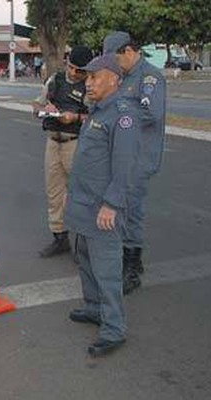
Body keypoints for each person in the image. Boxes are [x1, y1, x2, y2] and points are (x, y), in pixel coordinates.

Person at [65, 54, 140, 357]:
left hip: (102, 208)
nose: (89, 82)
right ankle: (94, 308)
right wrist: (72, 192)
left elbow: (124, 167)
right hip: (83, 203)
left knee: (107, 268)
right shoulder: (97, 110)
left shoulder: (122, 115)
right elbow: (87, 160)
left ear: (112, 78)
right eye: (88, 77)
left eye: (94, 77)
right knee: (84, 258)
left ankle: (113, 328)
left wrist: (111, 204)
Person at [103, 31, 167, 294]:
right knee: (122, 206)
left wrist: (116, 113)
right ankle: (128, 257)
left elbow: (151, 112)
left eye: (116, 59)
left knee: (131, 210)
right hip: (123, 154)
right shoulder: (124, 77)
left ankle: (131, 265)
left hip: (140, 155)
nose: (114, 65)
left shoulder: (150, 77)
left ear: (129, 51)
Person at [32, 45, 93, 258]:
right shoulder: (54, 80)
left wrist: (75, 117)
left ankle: (83, 244)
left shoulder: (91, 85)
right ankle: (60, 237)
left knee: (79, 193)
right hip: (53, 142)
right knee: (54, 193)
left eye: (80, 71)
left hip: (75, 143)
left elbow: (98, 117)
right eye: (72, 67)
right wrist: (44, 110)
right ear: (67, 62)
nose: (74, 73)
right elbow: (35, 107)